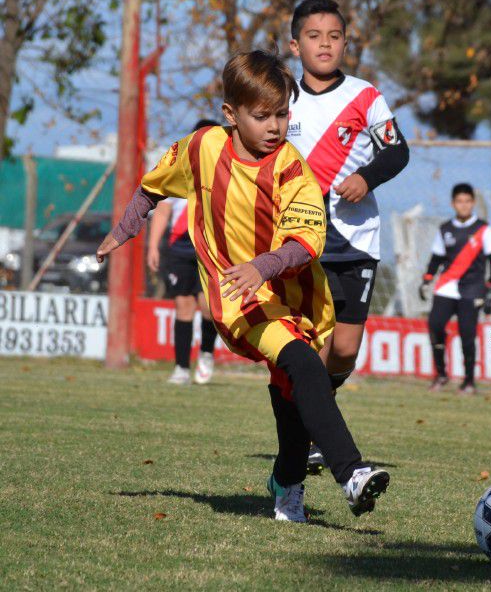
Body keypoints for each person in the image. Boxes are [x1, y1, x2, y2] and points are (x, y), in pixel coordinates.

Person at [96, 50, 389, 523]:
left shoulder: (292, 168)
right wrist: (123, 229)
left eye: (282, 114)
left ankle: (286, 485)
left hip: (301, 302)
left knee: (291, 398)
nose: (275, 126)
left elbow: (307, 241)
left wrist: (263, 266)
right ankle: (351, 473)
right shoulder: (202, 147)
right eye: (262, 116)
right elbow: (153, 186)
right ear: (230, 115)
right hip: (241, 303)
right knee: (303, 367)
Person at [281, 0, 409, 474]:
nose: (325, 44)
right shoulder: (280, 96)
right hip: (298, 240)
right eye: (314, 36)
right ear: (295, 44)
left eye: (334, 36)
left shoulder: (365, 95)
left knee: (346, 348)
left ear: (345, 43)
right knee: (311, 342)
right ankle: (314, 433)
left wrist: (367, 177)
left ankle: (316, 412)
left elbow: (398, 153)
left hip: (356, 241)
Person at [146, 119, 221, 385]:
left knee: (209, 307)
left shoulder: (225, 170)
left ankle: (207, 353)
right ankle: (180, 368)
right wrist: (154, 246)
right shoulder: (178, 169)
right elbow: (163, 209)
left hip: (209, 248)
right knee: (183, 306)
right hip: (179, 247)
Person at [419, 183, 491, 395]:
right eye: (459, 201)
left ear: (472, 203)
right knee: (435, 325)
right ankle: (441, 375)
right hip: (446, 287)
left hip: (473, 289)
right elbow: (436, 258)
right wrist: (427, 279)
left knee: (467, 334)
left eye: (467, 201)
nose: (463, 205)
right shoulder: (445, 229)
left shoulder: (483, 229)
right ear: (453, 203)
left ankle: (469, 381)